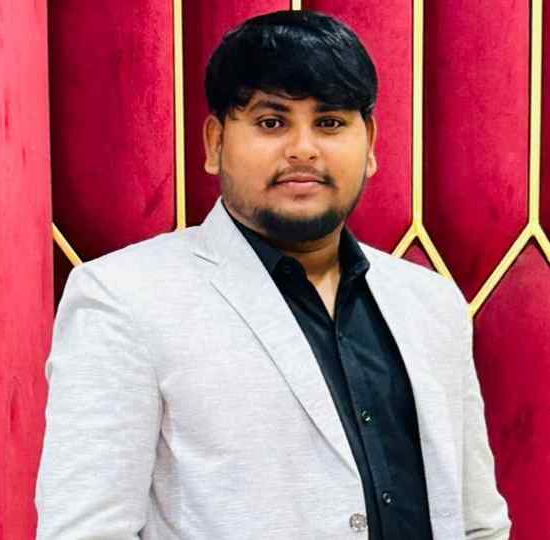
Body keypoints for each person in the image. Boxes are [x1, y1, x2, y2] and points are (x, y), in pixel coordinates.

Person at [35, 10, 511, 540]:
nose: (303, 148)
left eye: (330, 122)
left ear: (371, 143)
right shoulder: (123, 298)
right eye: (271, 122)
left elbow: (478, 522)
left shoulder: (431, 303)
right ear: (215, 143)